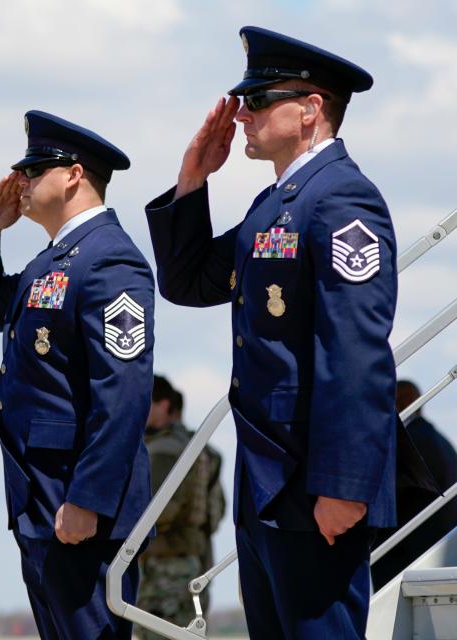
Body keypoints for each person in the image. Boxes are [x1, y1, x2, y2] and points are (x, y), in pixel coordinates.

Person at [144, 26, 397, 638]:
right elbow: (190, 282)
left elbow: (356, 354)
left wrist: (343, 487)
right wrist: (192, 180)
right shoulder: (275, 204)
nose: (244, 116)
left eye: (259, 100)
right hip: (267, 484)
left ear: (311, 110)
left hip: (314, 485)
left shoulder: (342, 200)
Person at [0, 110, 155, 639]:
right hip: (41, 500)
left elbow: (122, 392)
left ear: (73, 176)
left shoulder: (110, 261)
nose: (22, 183)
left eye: (35, 170)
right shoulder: (56, 259)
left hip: (78, 509)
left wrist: (88, 499)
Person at [136, 375, 209, 639]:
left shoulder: (166, 449)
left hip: (166, 567)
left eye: (146, 403)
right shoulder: (186, 444)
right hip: (177, 561)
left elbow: (156, 512)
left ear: (163, 405)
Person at [371, 380, 457, 589]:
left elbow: (392, 493)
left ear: (407, 401)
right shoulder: (435, 438)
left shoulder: (412, 442)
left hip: (407, 552)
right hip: (427, 547)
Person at [164, 385, 226, 617]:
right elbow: (217, 509)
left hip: (173, 556)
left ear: (166, 406)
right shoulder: (204, 450)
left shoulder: (172, 448)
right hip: (197, 551)